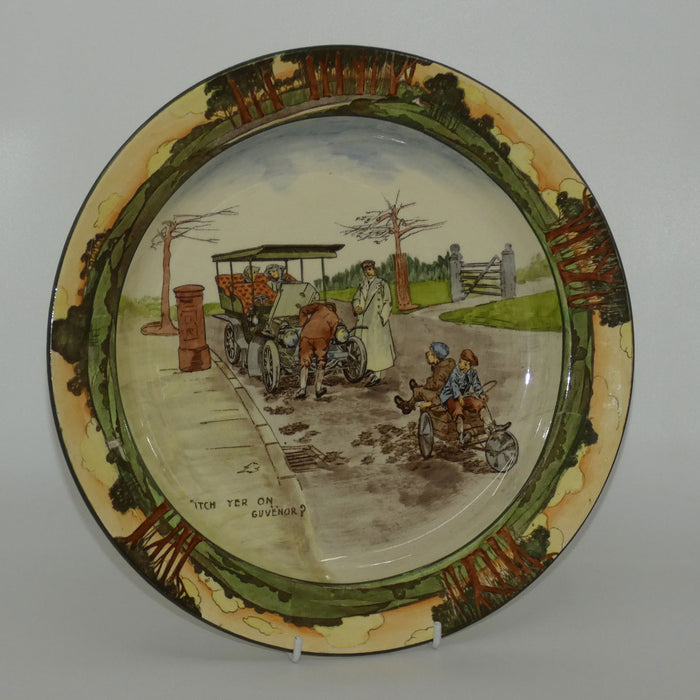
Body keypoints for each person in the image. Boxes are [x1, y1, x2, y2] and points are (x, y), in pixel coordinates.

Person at [439, 348, 508, 445]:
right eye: (464, 363)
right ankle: (461, 435)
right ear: (461, 361)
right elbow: (454, 386)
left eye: (469, 365)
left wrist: (481, 394)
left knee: (479, 403)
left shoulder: (472, 373)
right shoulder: (455, 373)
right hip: (450, 396)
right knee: (457, 409)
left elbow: (476, 384)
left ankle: (491, 427)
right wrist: (459, 397)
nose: (466, 366)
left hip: (463, 396)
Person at [352, 260, 395, 387]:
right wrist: (357, 307)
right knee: (365, 346)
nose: (368, 272)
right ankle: (368, 368)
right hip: (364, 321)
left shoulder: (382, 284)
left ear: (374, 269)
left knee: (377, 348)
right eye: (365, 270)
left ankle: (377, 375)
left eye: (370, 269)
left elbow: (388, 302)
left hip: (376, 322)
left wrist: (382, 318)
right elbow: (356, 299)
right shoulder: (362, 285)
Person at [394, 342, 455, 414]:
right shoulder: (447, 365)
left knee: (419, 391)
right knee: (421, 390)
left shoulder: (440, 372)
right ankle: (417, 391)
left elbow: (439, 389)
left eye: (431, 353)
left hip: (440, 397)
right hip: (445, 392)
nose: (427, 354)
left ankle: (408, 406)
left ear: (436, 357)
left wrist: (430, 400)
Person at [295, 301, 339, 400]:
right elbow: (332, 335)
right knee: (321, 362)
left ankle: (302, 389)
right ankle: (318, 389)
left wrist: (303, 323)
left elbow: (303, 310)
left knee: (304, 361)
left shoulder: (319, 307)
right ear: (333, 309)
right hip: (321, 339)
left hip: (306, 335)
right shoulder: (335, 317)